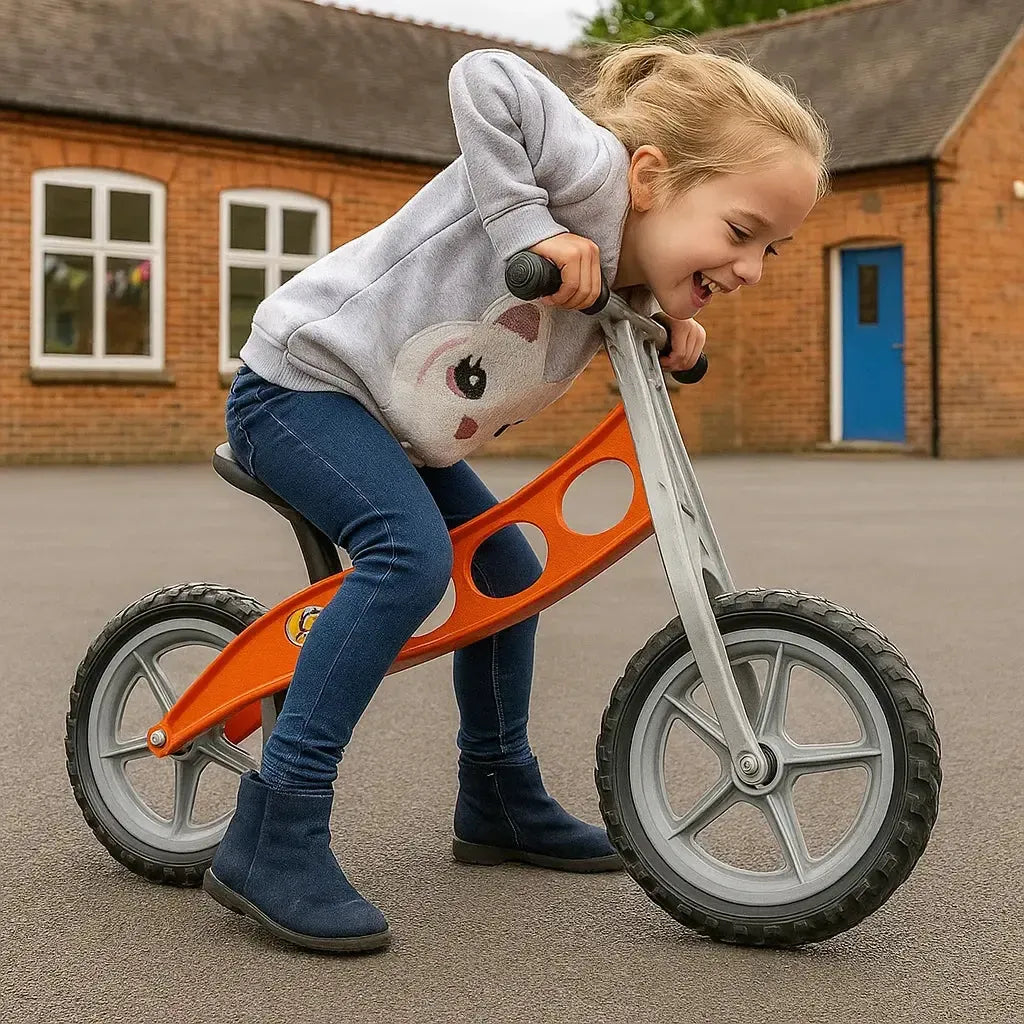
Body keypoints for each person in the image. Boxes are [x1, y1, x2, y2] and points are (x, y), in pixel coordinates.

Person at [207, 38, 830, 954]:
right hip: (302, 387)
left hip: (392, 424)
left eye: (771, 248)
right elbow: (484, 76)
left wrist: (666, 319)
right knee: (408, 556)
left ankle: (495, 793)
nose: (752, 267)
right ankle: (276, 823)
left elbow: (628, 287)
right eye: (739, 234)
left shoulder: (626, 263)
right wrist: (525, 228)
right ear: (649, 179)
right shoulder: (583, 176)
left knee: (503, 566)